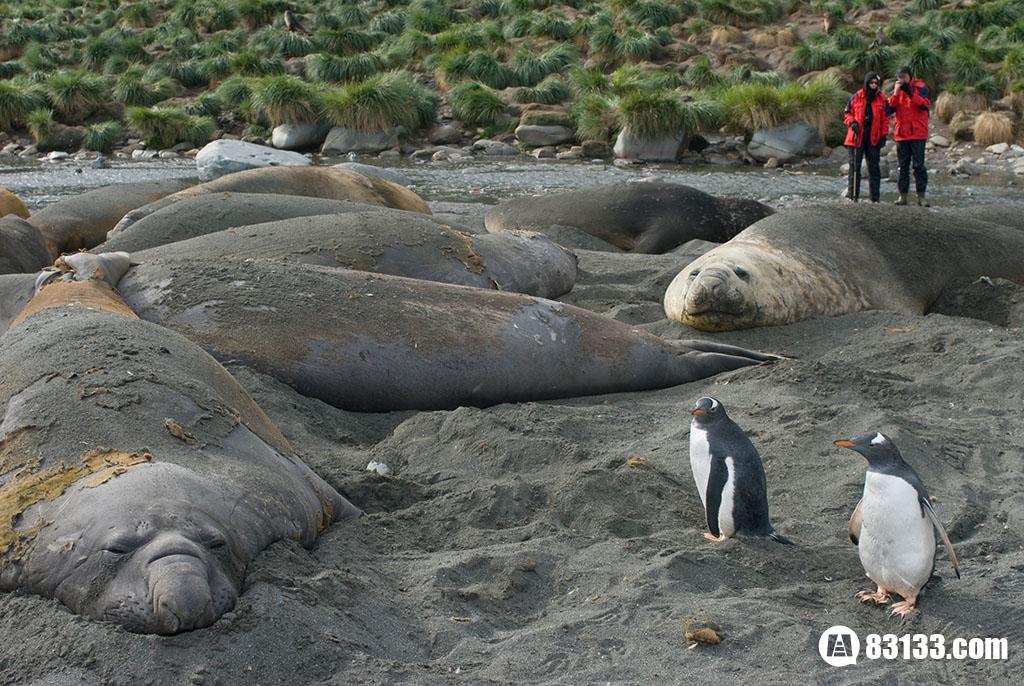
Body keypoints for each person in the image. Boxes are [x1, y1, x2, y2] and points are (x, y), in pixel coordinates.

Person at [842, 72, 889, 203]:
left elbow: (886, 119)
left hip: (873, 137)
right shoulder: (856, 97)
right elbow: (847, 114)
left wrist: (884, 135)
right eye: (871, 83)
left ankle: (875, 198)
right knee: (854, 168)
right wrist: (852, 122)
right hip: (857, 136)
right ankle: (853, 196)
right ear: (866, 83)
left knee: (874, 168)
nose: (873, 85)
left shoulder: (882, 99)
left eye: (876, 83)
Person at [888, 65, 931, 206]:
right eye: (899, 77)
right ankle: (903, 196)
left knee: (919, 166)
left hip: (918, 133)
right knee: (903, 166)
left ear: (910, 77)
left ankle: (921, 197)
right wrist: (895, 93)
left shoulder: (920, 87)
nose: (901, 80)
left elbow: (924, 105)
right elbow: (889, 109)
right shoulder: (897, 89)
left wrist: (911, 94)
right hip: (902, 134)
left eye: (904, 77)